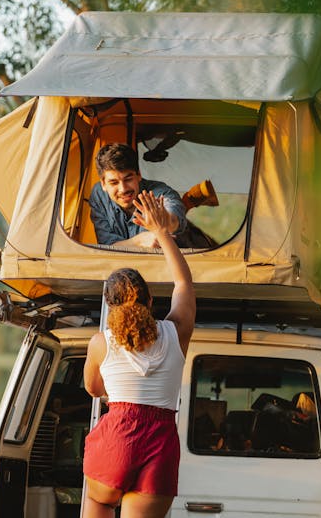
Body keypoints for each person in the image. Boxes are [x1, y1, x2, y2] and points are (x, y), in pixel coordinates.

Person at [83, 190, 196, 517]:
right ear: (150, 302)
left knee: (99, 503)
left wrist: (111, 395)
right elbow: (184, 284)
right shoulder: (176, 332)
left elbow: (93, 388)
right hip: (159, 441)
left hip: (118, 431)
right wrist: (162, 232)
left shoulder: (101, 343)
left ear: (110, 307)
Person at [89, 142, 214, 249]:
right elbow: (107, 246)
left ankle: (188, 203)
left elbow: (173, 215)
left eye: (128, 179)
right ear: (103, 184)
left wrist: (165, 223)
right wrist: (139, 241)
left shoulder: (160, 192)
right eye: (114, 182)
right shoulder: (99, 194)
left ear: (139, 175)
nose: (123, 189)